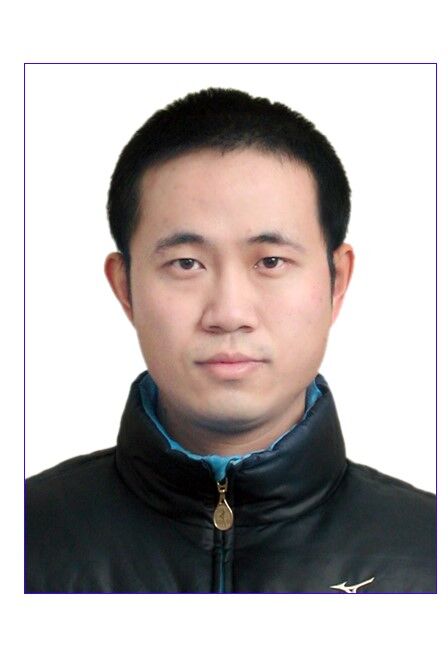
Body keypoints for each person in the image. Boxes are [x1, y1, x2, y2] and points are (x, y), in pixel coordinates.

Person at [26, 88, 435, 593]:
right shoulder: (24, 539)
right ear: (125, 287)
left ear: (337, 282)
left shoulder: (427, 552)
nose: (229, 314)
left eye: (271, 261)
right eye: (186, 264)